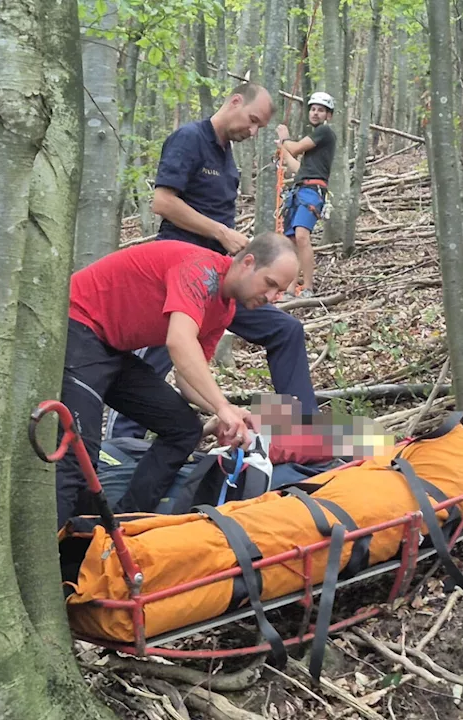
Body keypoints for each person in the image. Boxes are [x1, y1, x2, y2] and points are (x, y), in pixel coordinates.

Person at [106, 83, 320, 441]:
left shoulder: (226, 158)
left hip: (221, 282)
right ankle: (120, 447)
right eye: (252, 121)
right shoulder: (189, 139)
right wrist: (221, 232)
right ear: (235, 102)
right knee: (152, 362)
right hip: (175, 277)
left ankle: (303, 436)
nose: (252, 132)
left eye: (259, 128)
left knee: (285, 330)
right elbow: (163, 202)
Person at [57, 233, 300, 525]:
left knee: (184, 429)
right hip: (77, 325)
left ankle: (127, 523)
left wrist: (223, 414)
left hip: (110, 347)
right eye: (271, 284)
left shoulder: (224, 309)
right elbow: (179, 342)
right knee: (78, 459)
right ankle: (54, 559)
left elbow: (187, 378)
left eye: (280, 291)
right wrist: (222, 406)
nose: (273, 297)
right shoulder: (201, 270)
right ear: (248, 263)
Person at [276, 91, 337, 298]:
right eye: (313, 109)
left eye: (321, 110)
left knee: (302, 235)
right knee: (292, 240)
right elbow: (297, 168)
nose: (316, 113)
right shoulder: (315, 146)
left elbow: (296, 148)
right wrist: (283, 150)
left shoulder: (324, 133)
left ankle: (308, 287)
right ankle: (291, 287)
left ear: (328, 115)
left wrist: (285, 140)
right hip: (300, 189)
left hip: (313, 191)